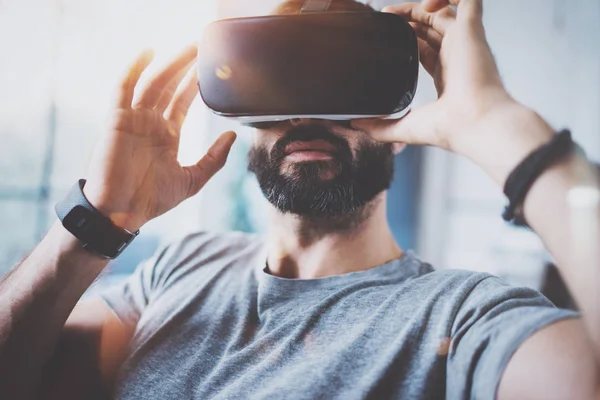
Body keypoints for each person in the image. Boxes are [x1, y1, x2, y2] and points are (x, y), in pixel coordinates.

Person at [0, 0, 598, 399]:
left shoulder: (464, 318)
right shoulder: (178, 269)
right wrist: (96, 223)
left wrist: (498, 126)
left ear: (403, 116)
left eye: (343, 81)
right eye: (281, 78)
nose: (308, 111)